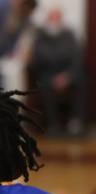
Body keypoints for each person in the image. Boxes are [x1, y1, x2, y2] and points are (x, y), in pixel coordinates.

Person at [28, 7, 87, 136]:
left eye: (57, 17)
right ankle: (53, 124)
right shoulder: (40, 36)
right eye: (52, 17)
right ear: (48, 19)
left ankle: (76, 122)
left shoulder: (69, 35)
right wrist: (57, 77)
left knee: (81, 81)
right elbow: (39, 58)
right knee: (45, 85)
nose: (55, 20)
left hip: (68, 74)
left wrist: (67, 76)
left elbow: (77, 57)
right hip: (48, 74)